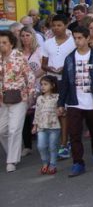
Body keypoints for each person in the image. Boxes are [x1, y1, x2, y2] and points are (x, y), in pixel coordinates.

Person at [58, 26, 93, 177]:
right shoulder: (69, 58)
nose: (77, 41)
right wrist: (61, 103)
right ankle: (78, 163)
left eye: (80, 38)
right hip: (74, 102)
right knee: (74, 134)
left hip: (92, 102)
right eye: (75, 38)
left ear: (87, 38)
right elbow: (65, 83)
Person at [41, 14, 76, 160]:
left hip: (68, 82)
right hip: (52, 82)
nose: (56, 28)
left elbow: (77, 60)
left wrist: (65, 69)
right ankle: (57, 143)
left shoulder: (73, 41)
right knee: (54, 113)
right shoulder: (48, 43)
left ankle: (64, 143)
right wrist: (50, 69)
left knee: (64, 112)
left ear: (66, 25)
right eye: (54, 25)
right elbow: (43, 64)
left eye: (59, 25)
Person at [0, 30, 35, 173]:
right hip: (2, 99)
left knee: (14, 129)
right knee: (2, 130)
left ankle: (11, 160)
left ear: (11, 43)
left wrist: (31, 94)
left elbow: (30, 75)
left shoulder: (19, 56)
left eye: (4, 42)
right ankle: (14, 151)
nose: (1, 45)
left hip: (20, 97)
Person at [18, 26, 44, 157]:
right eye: (22, 36)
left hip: (39, 87)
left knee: (40, 115)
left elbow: (44, 67)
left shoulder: (39, 50)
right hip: (22, 89)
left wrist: (31, 78)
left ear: (33, 36)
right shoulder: (17, 52)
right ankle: (27, 146)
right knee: (25, 117)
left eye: (27, 35)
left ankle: (43, 143)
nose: (25, 38)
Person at [32, 75, 60, 175]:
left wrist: (61, 111)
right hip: (41, 126)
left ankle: (52, 165)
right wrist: (35, 125)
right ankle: (45, 162)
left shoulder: (57, 97)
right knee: (41, 146)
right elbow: (37, 112)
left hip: (54, 126)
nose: (43, 86)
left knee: (53, 146)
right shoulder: (39, 98)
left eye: (45, 84)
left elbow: (62, 110)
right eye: (41, 84)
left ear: (52, 85)